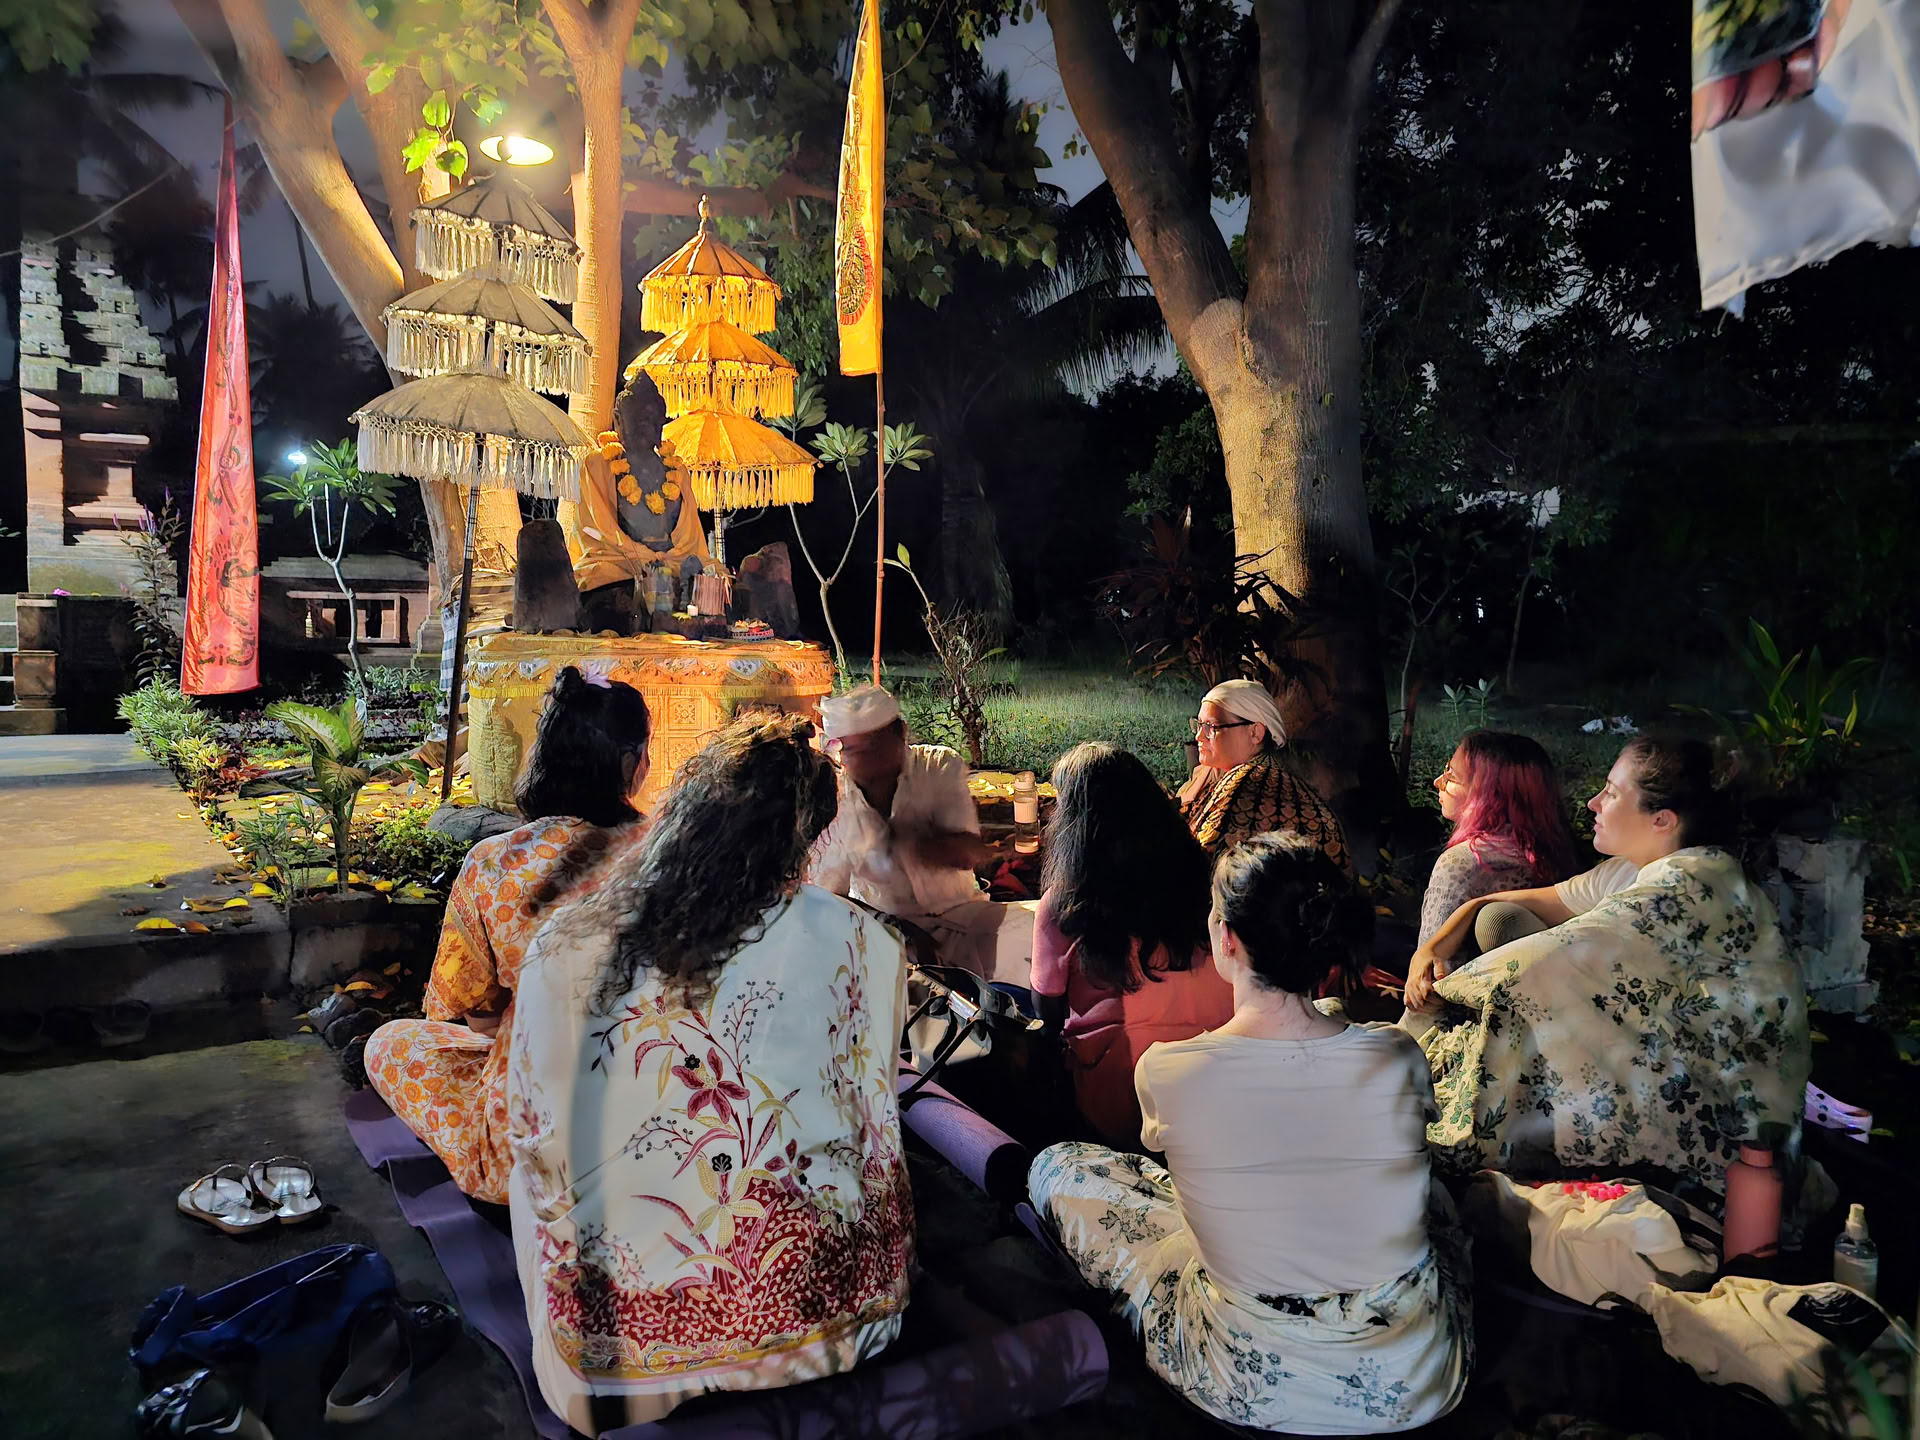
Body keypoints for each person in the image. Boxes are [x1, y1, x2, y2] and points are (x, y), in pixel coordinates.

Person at [507, 715, 914, 1431]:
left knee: (533, 1166)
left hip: (615, 1379)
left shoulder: (567, 942)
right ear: (812, 834)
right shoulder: (870, 943)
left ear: (680, 817)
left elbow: (536, 1142)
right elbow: (874, 1123)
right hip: (850, 1333)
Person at [1028, 835, 1473, 1433]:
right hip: (1415, 1375)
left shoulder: (1168, 1069)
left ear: (1227, 939)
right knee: (1436, 1195)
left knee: (1062, 1167)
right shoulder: (1397, 1054)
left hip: (1253, 1378)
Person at [1409, 736, 1809, 1193]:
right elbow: (1508, 903)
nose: (1592, 802)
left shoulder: (1684, 888)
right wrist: (1434, 946)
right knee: (1498, 924)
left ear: (1662, 820)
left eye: (1612, 793)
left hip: (1733, 1121)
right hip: (1662, 1065)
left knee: (1470, 1061)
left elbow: (1529, 966)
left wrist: (1440, 993)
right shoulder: (1630, 869)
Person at [363, 667, 652, 1204]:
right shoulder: (674, 855)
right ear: (631, 764)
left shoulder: (494, 862)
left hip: (528, 1150)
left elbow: (477, 1016)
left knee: (391, 1044)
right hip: (669, 1136)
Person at [1030, 742, 1234, 1146]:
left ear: (1074, 825)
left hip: (1121, 1108)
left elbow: (1047, 1010)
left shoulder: (1065, 904)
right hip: (1217, 1088)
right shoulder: (1205, 881)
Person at [807, 684, 1005, 973]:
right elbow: (830, 897)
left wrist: (904, 842)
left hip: (963, 918)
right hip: (881, 933)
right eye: (850, 749)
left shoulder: (938, 767)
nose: (861, 760)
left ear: (900, 732)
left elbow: (968, 853)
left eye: (873, 746)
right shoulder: (836, 796)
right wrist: (893, 927)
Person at [1418, 730, 1579, 947]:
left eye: (1452, 776)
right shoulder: (1558, 849)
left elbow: (1428, 965)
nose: (1438, 782)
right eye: (1446, 769)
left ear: (1487, 795)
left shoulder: (1461, 862)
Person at [1177, 678, 1350, 874]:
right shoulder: (1239, 773)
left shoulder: (1248, 783)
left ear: (1255, 733)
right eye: (1199, 725)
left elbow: (1193, 866)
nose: (1199, 736)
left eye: (1211, 727)